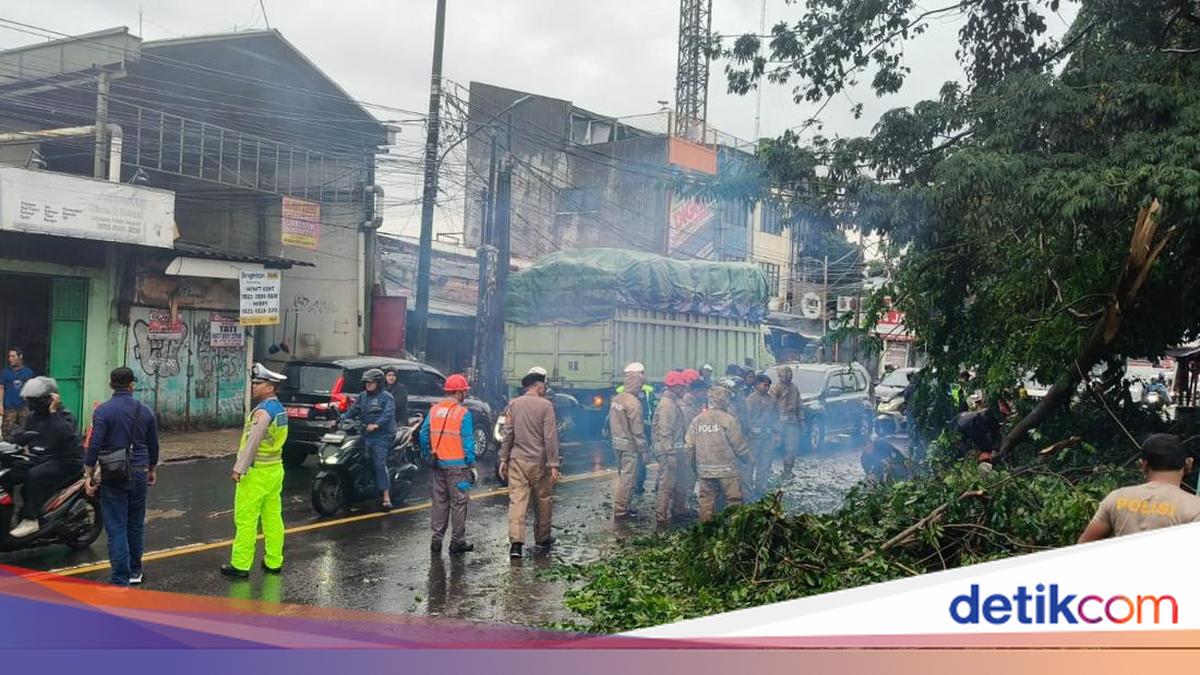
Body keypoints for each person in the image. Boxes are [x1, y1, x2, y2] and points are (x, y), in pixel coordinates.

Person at [83, 367, 159, 586]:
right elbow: (153, 444)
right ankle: (135, 571)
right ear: (132, 385)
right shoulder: (145, 411)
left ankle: (119, 578)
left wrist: (88, 473)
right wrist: (152, 469)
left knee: (116, 526)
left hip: (113, 472)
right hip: (140, 470)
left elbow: (95, 444)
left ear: (111, 385)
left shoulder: (103, 411)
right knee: (135, 524)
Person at [221, 363, 289, 578]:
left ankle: (240, 565)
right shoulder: (280, 410)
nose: (253, 386)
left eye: (258, 383)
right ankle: (273, 561)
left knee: (246, 519)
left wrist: (239, 468)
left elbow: (252, 442)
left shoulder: (262, 412)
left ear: (270, 387)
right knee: (273, 518)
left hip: (256, 473)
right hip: (275, 469)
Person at [1077, 434, 1200, 543]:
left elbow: (1083, 545)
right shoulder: (1194, 507)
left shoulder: (1116, 498)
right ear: (1188, 463)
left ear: (1143, 465)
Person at [8, 377, 83, 539]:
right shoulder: (33, 416)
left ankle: (31, 519)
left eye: (34, 401)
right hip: (42, 458)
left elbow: (65, 435)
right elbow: (21, 435)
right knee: (10, 472)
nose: (31, 404)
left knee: (33, 475)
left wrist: (53, 412)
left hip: (66, 461)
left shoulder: (63, 416)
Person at [499, 369, 561, 558]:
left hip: (517, 460)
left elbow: (508, 433)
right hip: (539, 462)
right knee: (542, 500)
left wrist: (504, 459)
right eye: (544, 386)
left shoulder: (514, 404)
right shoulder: (546, 406)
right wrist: (554, 465)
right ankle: (542, 538)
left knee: (517, 501)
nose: (544, 390)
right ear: (538, 386)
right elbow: (550, 437)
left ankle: (516, 545)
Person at [420, 374, 477, 554]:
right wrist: (471, 463)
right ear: (459, 392)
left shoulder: (435, 410)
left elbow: (423, 434)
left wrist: (428, 453)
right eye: (465, 392)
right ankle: (457, 542)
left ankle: (436, 540)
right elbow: (468, 442)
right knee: (459, 503)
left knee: (439, 502)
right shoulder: (463, 413)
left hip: (439, 465)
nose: (466, 395)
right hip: (459, 467)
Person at [685, 387, 753, 522]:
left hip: (705, 470)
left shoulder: (697, 420)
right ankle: (734, 531)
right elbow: (738, 445)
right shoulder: (728, 420)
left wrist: (694, 467)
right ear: (724, 401)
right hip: (727, 471)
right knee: (734, 500)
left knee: (706, 502)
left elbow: (689, 447)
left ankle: (705, 531)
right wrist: (749, 460)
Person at [341, 369, 397, 510]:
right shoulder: (362, 396)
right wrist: (339, 420)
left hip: (382, 435)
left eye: (371, 382)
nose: (368, 385)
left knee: (379, 463)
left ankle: (386, 496)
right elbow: (352, 411)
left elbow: (388, 414)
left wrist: (377, 424)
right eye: (366, 382)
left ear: (378, 383)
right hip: (365, 433)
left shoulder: (387, 397)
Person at [652, 370, 691, 528]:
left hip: (675, 451)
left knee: (681, 480)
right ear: (676, 387)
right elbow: (665, 432)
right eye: (683, 387)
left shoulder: (671, 402)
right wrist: (670, 455)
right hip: (669, 451)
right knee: (667, 484)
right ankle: (661, 516)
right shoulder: (668, 406)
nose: (685, 390)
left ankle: (678, 510)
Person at [610, 363, 648, 520]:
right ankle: (621, 510)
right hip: (629, 446)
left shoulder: (617, 399)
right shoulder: (633, 403)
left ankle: (624, 506)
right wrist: (644, 450)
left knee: (623, 477)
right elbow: (637, 430)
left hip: (617, 444)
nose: (641, 388)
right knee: (628, 479)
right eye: (640, 385)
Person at [615, 362, 654, 496]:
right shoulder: (633, 399)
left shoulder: (619, 395)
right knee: (633, 469)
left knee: (625, 472)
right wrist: (644, 448)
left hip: (621, 438)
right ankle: (633, 491)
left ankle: (632, 491)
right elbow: (636, 425)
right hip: (635, 435)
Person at [743, 374, 779, 498]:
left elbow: (776, 418)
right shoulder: (750, 400)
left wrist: (777, 434)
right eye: (764, 385)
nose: (767, 388)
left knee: (765, 463)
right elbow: (746, 419)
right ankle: (747, 490)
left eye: (768, 385)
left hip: (768, 436)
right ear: (757, 385)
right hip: (754, 436)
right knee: (750, 463)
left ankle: (760, 489)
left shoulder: (772, 400)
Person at [770, 366, 803, 478]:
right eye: (782, 375)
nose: (785, 377)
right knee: (772, 447)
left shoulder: (795, 388)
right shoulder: (775, 388)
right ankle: (767, 469)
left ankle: (787, 470)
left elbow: (799, 406)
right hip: (778, 423)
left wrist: (801, 421)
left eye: (787, 374)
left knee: (791, 447)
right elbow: (771, 406)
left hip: (791, 423)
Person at [1, 348, 33, 439]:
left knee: (25, 432)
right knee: (7, 432)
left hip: (23, 406)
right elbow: (1, 388)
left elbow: (31, 388)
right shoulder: (5, 372)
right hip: (9, 407)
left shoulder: (28, 372)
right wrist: (0, 405)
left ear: (20, 357)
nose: (10, 358)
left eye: (13, 356)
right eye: (9, 356)